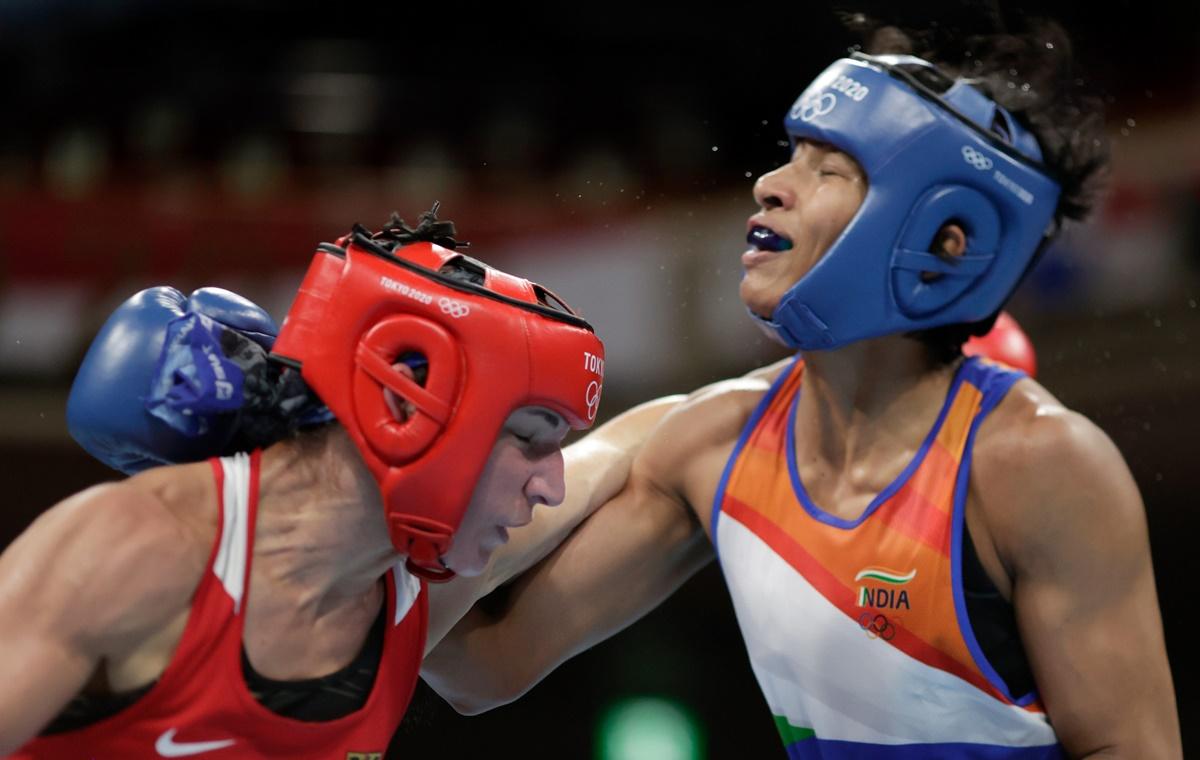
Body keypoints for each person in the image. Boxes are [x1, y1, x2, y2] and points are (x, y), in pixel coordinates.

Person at [422, 19, 1181, 759]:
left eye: (829, 169)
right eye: (793, 155)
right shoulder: (710, 443)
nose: (770, 186)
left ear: (948, 235)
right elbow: (483, 668)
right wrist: (408, 501)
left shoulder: (1036, 466)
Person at [0, 210, 676, 757]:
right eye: (530, 438)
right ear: (409, 406)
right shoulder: (136, 553)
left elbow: (632, 449)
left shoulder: (397, 593)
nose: (550, 487)